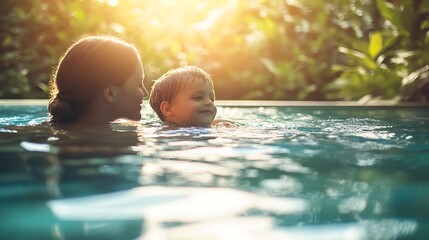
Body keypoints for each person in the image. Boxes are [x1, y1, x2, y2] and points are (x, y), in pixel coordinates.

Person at [48, 35, 149, 125]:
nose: (146, 93)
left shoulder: (40, 135)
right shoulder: (118, 142)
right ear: (111, 93)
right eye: (139, 84)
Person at [149, 66, 233, 128]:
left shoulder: (216, 126)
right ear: (168, 109)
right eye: (198, 97)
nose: (209, 102)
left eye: (212, 99)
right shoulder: (168, 133)